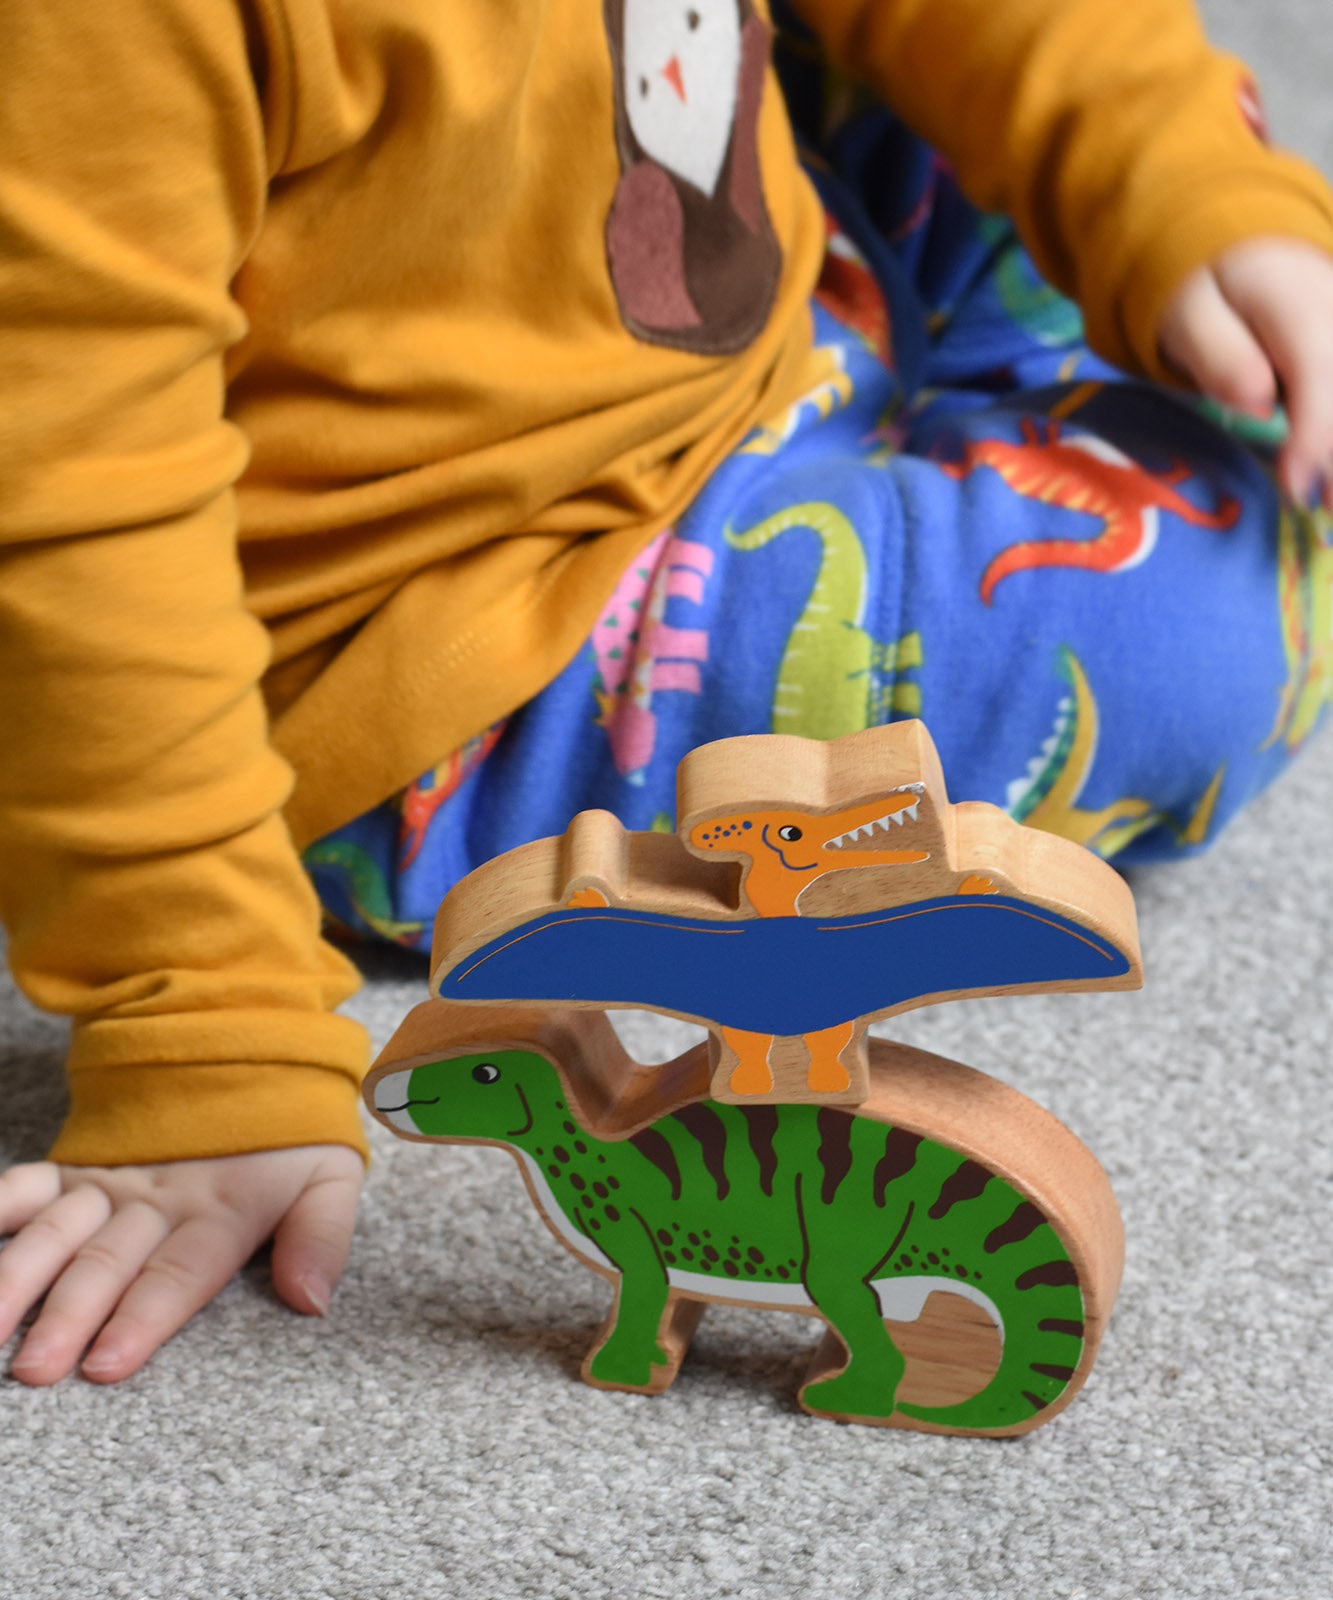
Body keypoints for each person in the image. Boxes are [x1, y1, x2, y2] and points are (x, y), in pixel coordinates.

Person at [1, 0, 1331, 1389]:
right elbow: (72, 500)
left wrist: (1183, 183)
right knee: (1207, 635)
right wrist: (199, 1012)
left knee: (1162, 208)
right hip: (447, 615)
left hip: (718, 278)